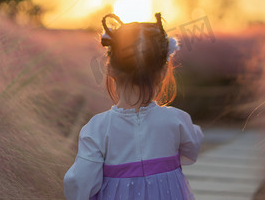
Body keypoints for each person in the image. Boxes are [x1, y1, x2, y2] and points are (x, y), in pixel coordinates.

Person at [63, 13, 203, 200]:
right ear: (162, 72)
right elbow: (191, 150)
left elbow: (79, 180)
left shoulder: (97, 128)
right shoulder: (177, 120)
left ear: (110, 68)